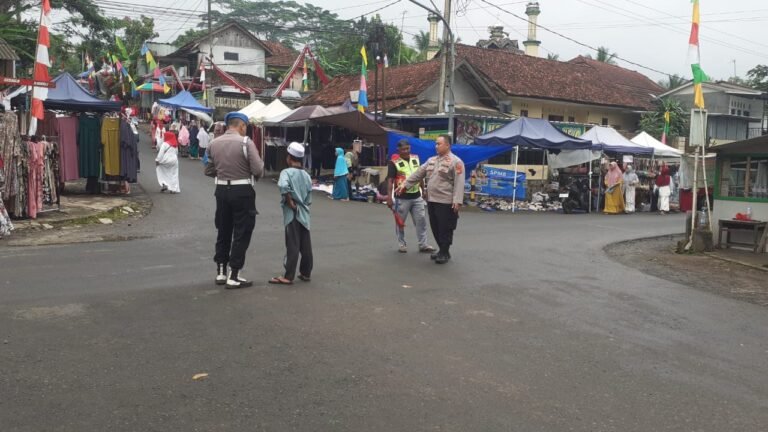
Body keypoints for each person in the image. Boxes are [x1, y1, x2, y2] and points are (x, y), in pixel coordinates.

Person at [204, 112, 264, 289]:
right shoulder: (246, 143)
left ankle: (221, 272)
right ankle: (234, 274)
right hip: (242, 191)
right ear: (242, 126)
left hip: (221, 190)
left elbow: (207, 170)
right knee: (242, 232)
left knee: (223, 230)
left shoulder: (213, 143)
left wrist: (223, 173)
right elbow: (258, 169)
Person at [398, 134, 464, 264]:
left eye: (439, 144)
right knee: (435, 226)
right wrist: (405, 184)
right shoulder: (431, 160)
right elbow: (418, 174)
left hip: (446, 201)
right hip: (432, 200)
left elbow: (459, 182)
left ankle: (445, 252)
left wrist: (457, 200)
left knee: (445, 227)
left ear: (447, 145)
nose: (436, 146)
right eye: (435, 143)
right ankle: (442, 250)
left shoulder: (456, 162)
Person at [270, 142, 313, 285]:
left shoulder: (286, 173)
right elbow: (308, 198)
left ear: (289, 158)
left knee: (292, 244)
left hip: (292, 213)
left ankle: (288, 276)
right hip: (304, 213)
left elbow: (283, 185)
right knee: (305, 244)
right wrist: (302, 204)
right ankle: (306, 272)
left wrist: (289, 200)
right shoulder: (306, 176)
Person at [387, 139, 436, 254]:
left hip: (416, 196)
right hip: (401, 198)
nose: (405, 151)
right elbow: (390, 181)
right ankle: (402, 244)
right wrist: (389, 197)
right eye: (403, 149)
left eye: (407, 148)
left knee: (421, 220)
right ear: (398, 150)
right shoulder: (393, 162)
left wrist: (423, 190)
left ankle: (423, 244)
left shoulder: (416, 158)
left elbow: (420, 175)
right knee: (400, 222)